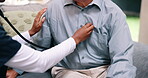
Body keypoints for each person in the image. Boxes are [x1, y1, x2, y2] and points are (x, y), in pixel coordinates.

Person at [32, 0, 137, 78]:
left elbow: (122, 58)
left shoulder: (114, 13)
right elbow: (40, 48)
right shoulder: (53, 9)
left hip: (104, 70)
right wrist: (19, 68)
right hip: (69, 71)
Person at [0, 0, 95, 77]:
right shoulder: (54, 8)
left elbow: (6, 45)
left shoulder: (108, 10)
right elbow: (40, 61)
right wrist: (75, 39)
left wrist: (31, 32)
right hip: (66, 70)